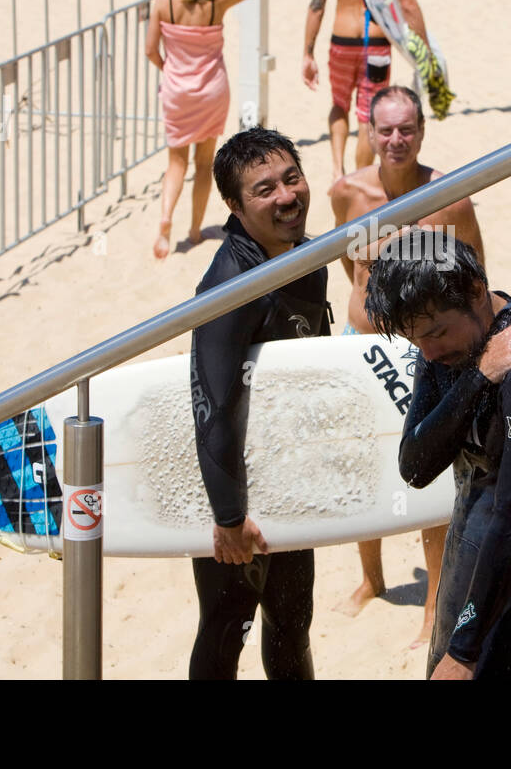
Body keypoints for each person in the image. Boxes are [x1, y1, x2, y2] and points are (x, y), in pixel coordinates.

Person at [364, 229, 511, 680]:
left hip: (510, 618)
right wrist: (478, 377)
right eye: (415, 340)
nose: (426, 350)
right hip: (461, 595)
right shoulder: (448, 347)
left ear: (477, 292)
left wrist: (465, 651)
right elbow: (416, 466)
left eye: (436, 333)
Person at [328, 86, 485, 648]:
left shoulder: (449, 199)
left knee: (428, 476)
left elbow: (475, 282)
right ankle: (371, 580)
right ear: (369, 131)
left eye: (407, 129)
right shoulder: (346, 193)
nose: (396, 140)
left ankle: (432, 607)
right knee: (360, 464)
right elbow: (353, 274)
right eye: (386, 129)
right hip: (359, 345)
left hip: (426, 354)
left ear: (422, 131)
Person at [189, 128, 329, 680]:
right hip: (232, 489)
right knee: (227, 626)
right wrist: (227, 517)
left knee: (293, 623)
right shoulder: (229, 287)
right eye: (265, 189)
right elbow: (211, 405)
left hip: (288, 477)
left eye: (292, 178)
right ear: (234, 205)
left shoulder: (305, 257)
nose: (286, 197)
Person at [146, 0, 268, 259]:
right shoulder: (218, 1)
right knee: (203, 165)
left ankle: (165, 217)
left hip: (176, 91)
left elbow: (149, 50)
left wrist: (170, 71)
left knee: (175, 162)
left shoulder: (163, 2)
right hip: (211, 90)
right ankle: (195, 231)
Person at [303, 0, 430, 183]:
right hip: (377, 43)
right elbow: (407, 2)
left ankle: (338, 172)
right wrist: (424, 49)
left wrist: (307, 52)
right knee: (366, 114)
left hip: (341, 40)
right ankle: (360, 177)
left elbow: (317, 4)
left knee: (339, 103)